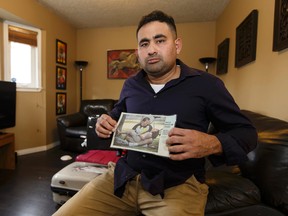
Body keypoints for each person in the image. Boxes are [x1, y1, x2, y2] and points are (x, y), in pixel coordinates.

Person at [53, 10, 257, 216]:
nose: (151, 49)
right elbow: (119, 112)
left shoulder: (207, 85)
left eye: (159, 41)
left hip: (178, 185)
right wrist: (107, 120)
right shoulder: (131, 85)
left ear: (177, 45)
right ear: (138, 52)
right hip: (123, 177)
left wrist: (211, 143)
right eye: (144, 44)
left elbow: (246, 134)